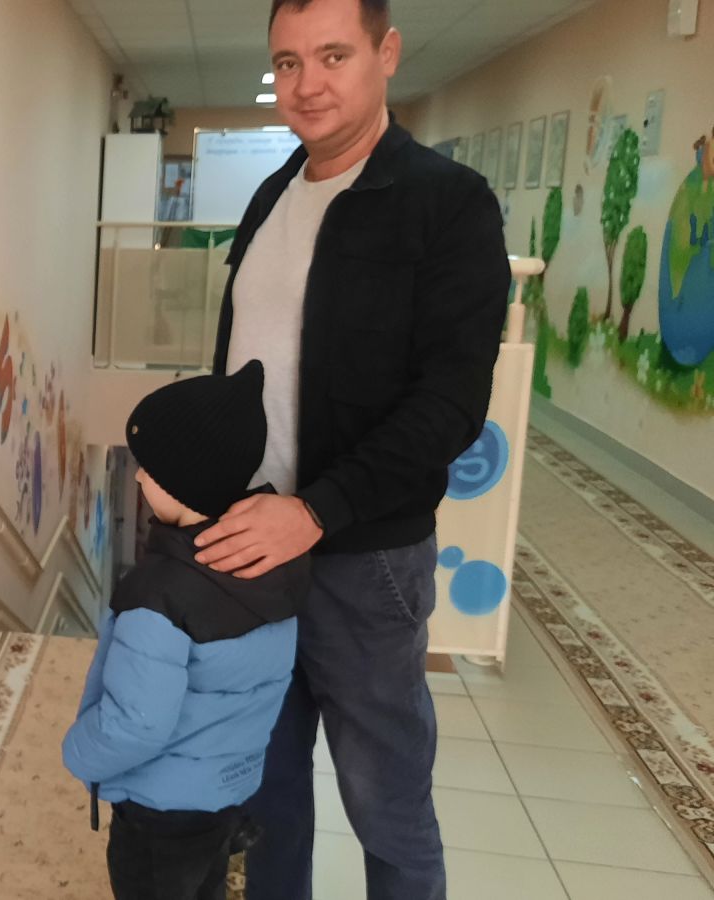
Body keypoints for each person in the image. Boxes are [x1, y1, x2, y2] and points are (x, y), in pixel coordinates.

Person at [191, 2, 511, 897]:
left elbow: (448, 406)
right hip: (252, 555)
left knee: (387, 807)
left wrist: (314, 511)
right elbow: (242, 372)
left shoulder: (447, 205)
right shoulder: (271, 195)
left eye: (333, 55)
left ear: (387, 52)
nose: (307, 84)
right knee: (264, 795)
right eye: (288, 62)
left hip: (365, 566)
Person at [62, 361, 309, 900]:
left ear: (181, 481)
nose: (137, 477)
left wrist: (77, 752)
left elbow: (137, 724)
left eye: (147, 468)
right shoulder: (274, 569)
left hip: (159, 813)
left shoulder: (159, 594)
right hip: (226, 794)